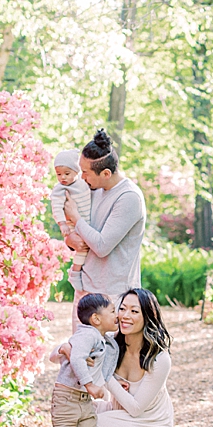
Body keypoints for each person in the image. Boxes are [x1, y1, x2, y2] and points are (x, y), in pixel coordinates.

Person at [54, 288, 174, 427]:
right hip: (119, 410)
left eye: (134, 311)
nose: (125, 316)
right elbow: (73, 356)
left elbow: (136, 409)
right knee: (75, 415)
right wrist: (67, 349)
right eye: (123, 309)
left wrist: (107, 378)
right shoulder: (112, 345)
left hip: (149, 424)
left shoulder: (159, 359)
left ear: (148, 316)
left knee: (93, 426)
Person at [63, 128, 147, 333]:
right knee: (81, 358)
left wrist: (76, 217)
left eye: (86, 173)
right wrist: (69, 238)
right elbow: (78, 232)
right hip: (85, 291)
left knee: (107, 361)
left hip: (113, 299)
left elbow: (101, 246)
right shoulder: (93, 190)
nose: (81, 178)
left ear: (106, 173)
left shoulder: (129, 198)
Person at [49, 293, 118, 427]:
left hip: (84, 401)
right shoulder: (87, 335)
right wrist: (89, 384)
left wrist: (108, 381)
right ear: (96, 319)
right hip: (67, 396)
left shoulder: (102, 339)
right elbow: (77, 358)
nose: (117, 315)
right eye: (113, 311)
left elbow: (98, 366)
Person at [50, 149, 93, 291]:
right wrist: (62, 223)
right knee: (82, 249)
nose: (63, 177)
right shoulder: (60, 189)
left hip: (86, 221)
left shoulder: (83, 183)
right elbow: (56, 207)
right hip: (73, 225)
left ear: (76, 172)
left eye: (67, 174)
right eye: (58, 174)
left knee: (86, 249)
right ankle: (75, 272)